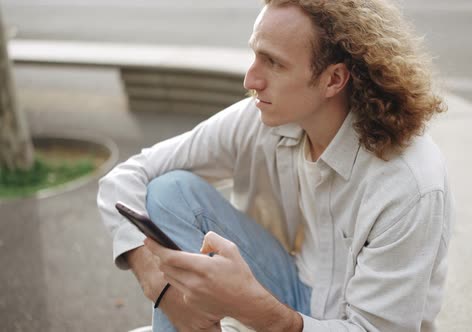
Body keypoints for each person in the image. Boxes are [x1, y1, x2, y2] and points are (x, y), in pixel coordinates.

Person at [97, 0, 452, 331]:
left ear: (333, 79)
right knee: (169, 190)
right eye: (255, 56)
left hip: (343, 321)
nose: (250, 80)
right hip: (289, 282)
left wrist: (252, 307)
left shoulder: (408, 183)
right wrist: (156, 283)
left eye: (274, 63)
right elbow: (125, 178)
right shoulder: (267, 119)